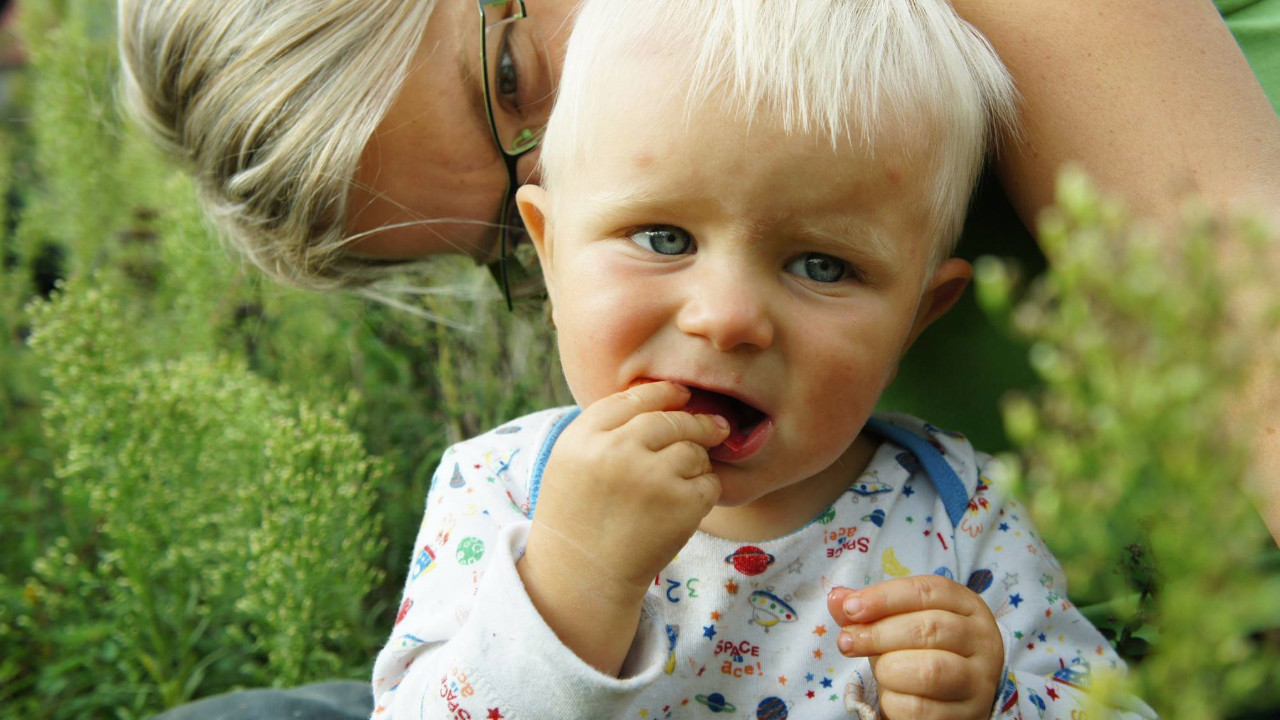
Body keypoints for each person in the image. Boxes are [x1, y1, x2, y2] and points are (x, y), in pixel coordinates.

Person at [371, 1, 1156, 717]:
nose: (728, 318)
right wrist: (569, 585)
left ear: (917, 318)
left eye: (821, 265)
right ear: (550, 253)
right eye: (663, 239)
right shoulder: (501, 490)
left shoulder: (959, 515)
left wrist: (996, 703)